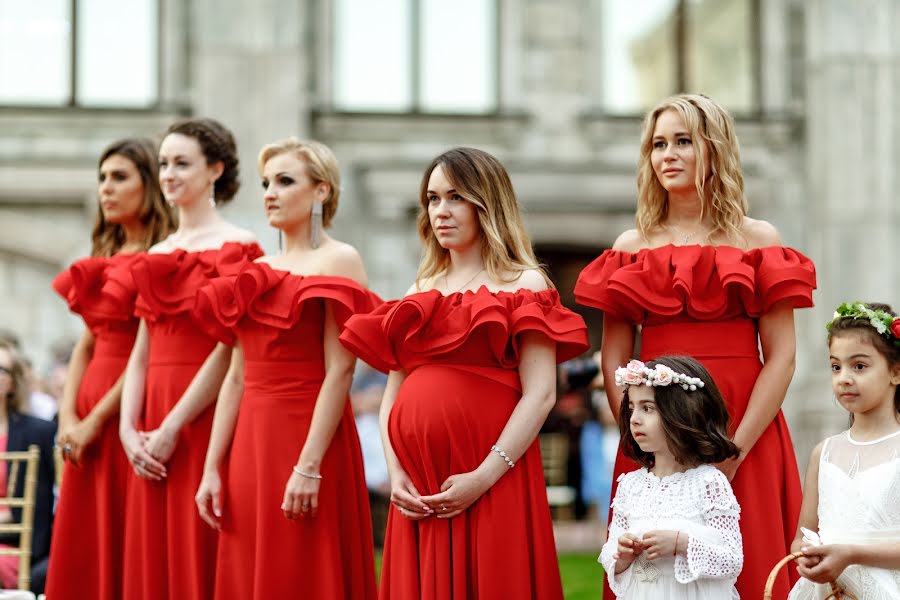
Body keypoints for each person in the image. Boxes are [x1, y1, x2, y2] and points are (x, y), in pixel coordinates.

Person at [574, 93, 816, 599]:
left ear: (715, 149)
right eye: (659, 144)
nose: (668, 154)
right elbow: (614, 358)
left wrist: (734, 450)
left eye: (683, 141)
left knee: (751, 562)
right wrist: (640, 437)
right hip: (652, 427)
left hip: (742, 418)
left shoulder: (757, 239)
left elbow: (783, 357)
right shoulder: (630, 247)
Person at [340, 147, 589, 599]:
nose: (441, 211)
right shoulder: (419, 289)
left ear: (486, 204)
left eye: (455, 197)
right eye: (432, 199)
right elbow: (391, 395)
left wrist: (484, 476)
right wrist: (396, 474)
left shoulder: (524, 283)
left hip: (492, 474)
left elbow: (540, 395)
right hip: (419, 486)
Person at [192, 138, 379, 599]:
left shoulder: (339, 259)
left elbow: (340, 371)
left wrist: (309, 465)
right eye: (265, 183)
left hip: (308, 437)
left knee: (304, 567)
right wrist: (213, 467)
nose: (270, 192)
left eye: (285, 180)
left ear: (321, 191)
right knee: (251, 567)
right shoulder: (256, 268)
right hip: (249, 443)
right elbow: (236, 376)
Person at [116, 118, 261, 600]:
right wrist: (127, 429)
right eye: (163, 164)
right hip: (148, 417)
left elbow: (231, 350)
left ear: (215, 169)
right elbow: (141, 351)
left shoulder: (242, 248)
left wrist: (173, 426)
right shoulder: (155, 251)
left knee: (199, 547)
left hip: (204, 414)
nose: (169, 174)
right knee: (151, 556)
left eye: (182, 163)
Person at [47, 137, 175, 600]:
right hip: (83, 417)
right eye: (102, 177)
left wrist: (95, 421)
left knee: (126, 535)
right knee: (84, 540)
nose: (106, 188)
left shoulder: (163, 258)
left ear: (150, 185)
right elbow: (85, 344)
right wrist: (66, 418)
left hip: (129, 411)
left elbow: (147, 351)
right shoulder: (103, 257)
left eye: (119, 177)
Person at [598, 356, 743, 599]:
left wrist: (681, 545)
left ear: (682, 413)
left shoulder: (709, 483)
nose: (634, 419)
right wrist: (623, 554)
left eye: (647, 408)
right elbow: (611, 552)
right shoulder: (630, 486)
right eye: (632, 408)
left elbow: (731, 560)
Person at [788, 302, 900, 599]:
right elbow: (801, 537)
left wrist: (851, 553)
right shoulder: (823, 453)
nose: (844, 378)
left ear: (896, 372)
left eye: (859, 366)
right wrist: (806, 554)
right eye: (835, 366)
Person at [0, 340, 56, 593]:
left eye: (2, 369)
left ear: (12, 382)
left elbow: (39, 508)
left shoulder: (38, 432)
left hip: (14, 547)